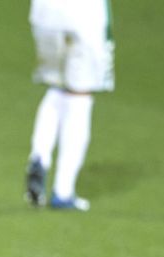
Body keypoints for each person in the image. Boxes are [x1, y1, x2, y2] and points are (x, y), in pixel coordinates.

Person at [25, 0, 114, 211]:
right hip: (83, 15)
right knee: (79, 95)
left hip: (44, 13)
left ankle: (39, 156)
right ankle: (63, 191)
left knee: (57, 85)